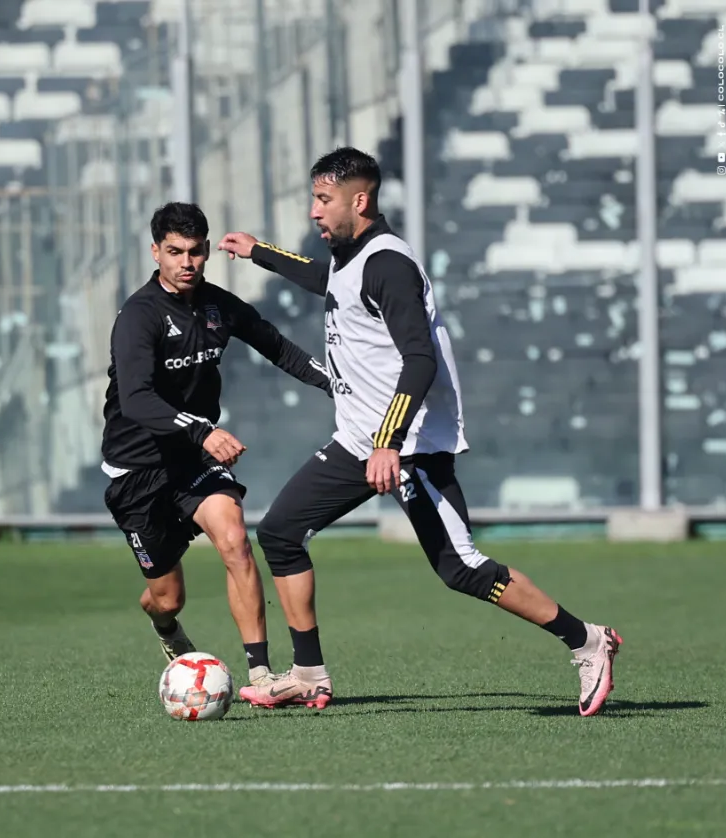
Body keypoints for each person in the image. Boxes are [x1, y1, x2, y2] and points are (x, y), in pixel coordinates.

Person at [217, 147, 623, 716]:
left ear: (358, 200)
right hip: (360, 440)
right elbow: (324, 280)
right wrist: (259, 251)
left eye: (323, 199)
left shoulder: (389, 264)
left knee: (461, 568)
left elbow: (420, 361)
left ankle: (586, 640)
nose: (313, 210)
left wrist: (389, 442)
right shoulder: (347, 256)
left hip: (409, 446)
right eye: (313, 197)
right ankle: (308, 673)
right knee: (281, 533)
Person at [101, 201, 331, 689]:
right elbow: (138, 399)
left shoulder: (217, 305)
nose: (186, 262)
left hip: (192, 460)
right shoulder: (137, 317)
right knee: (166, 597)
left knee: (235, 540)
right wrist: (204, 428)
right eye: (175, 252)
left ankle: (261, 674)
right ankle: (164, 626)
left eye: (196, 252)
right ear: (155, 252)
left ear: (207, 251)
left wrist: (338, 385)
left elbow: (279, 347)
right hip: (137, 468)